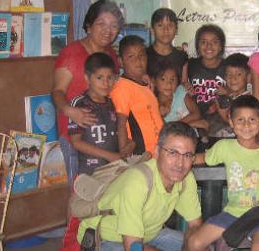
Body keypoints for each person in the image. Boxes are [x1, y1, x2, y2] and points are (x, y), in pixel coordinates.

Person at [77, 121, 203, 251]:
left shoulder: (186, 178)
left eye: (187, 155)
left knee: (203, 245)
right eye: (172, 152)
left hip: (149, 234)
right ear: (157, 151)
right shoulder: (138, 181)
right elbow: (134, 247)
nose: (180, 164)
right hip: (105, 238)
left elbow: (195, 226)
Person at [187, 95, 259, 251]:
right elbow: (202, 158)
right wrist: (181, 157)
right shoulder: (224, 147)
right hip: (232, 214)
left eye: (252, 120)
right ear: (231, 122)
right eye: (240, 120)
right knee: (195, 243)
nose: (246, 124)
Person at [52, 0, 123, 183]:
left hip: (105, 138)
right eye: (101, 24)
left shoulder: (111, 55)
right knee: (79, 194)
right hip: (76, 137)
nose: (108, 31)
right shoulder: (71, 53)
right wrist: (70, 111)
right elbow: (57, 91)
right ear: (89, 25)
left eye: (114, 25)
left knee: (104, 192)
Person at [68, 52, 122, 175]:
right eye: (99, 78)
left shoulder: (111, 103)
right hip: (91, 172)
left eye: (109, 78)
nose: (106, 83)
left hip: (112, 169)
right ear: (87, 78)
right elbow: (76, 142)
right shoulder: (80, 105)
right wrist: (108, 155)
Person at [110, 35, 163, 155]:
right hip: (141, 155)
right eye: (131, 56)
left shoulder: (145, 85)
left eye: (141, 55)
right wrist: (124, 151)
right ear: (121, 61)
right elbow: (120, 122)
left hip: (157, 152)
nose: (138, 60)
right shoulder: (122, 88)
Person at [185, 24, 227, 137]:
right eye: (203, 42)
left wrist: (227, 93)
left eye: (214, 42)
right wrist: (185, 86)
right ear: (197, 46)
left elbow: (238, 90)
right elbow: (180, 82)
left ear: (221, 46)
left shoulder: (228, 66)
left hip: (221, 118)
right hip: (195, 115)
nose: (209, 46)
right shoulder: (191, 65)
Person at [151, 62, 208, 131]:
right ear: (154, 81)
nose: (169, 83)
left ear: (178, 81)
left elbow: (196, 114)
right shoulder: (154, 105)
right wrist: (192, 124)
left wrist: (175, 125)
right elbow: (165, 131)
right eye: (163, 79)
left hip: (191, 135)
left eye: (172, 79)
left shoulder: (181, 91)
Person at [214, 53, 252, 137]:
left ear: (248, 77)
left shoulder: (252, 96)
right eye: (229, 74)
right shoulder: (222, 97)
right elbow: (226, 118)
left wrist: (229, 94)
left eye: (238, 74)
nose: (233, 78)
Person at [146, 8, 188, 82]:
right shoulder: (144, 55)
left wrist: (187, 87)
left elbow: (184, 83)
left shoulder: (181, 56)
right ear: (152, 30)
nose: (165, 30)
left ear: (176, 30)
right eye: (160, 25)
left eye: (170, 25)